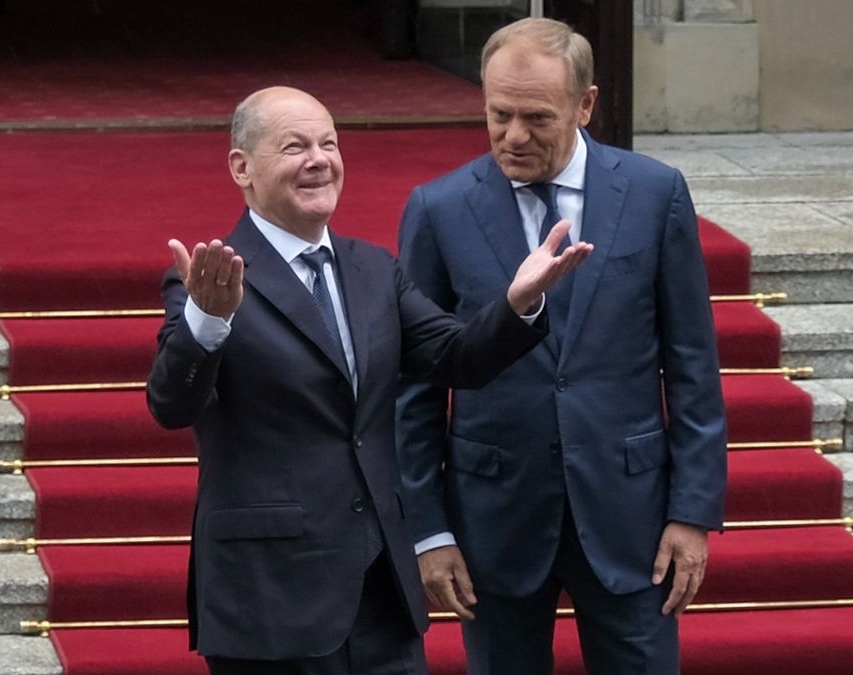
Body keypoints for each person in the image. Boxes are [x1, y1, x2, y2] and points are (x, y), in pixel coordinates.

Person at [146, 86, 592, 675]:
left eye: (329, 144)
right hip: (272, 599)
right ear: (242, 167)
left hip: (381, 589)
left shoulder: (373, 269)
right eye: (295, 146)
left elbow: (459, 357)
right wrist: (208, 321)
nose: (319, 159)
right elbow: (172, 404)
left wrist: (518, 304)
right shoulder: (211, 281)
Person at [395, 18, 727, 674]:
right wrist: (428, 530)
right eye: (498, 114)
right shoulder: (439, 209)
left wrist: (693, 511)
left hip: (630, 517)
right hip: (495, 517)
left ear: (585, 104)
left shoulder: (655, 194)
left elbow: (692, 363)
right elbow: (416, 384)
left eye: (536, 117)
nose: (513, 136)